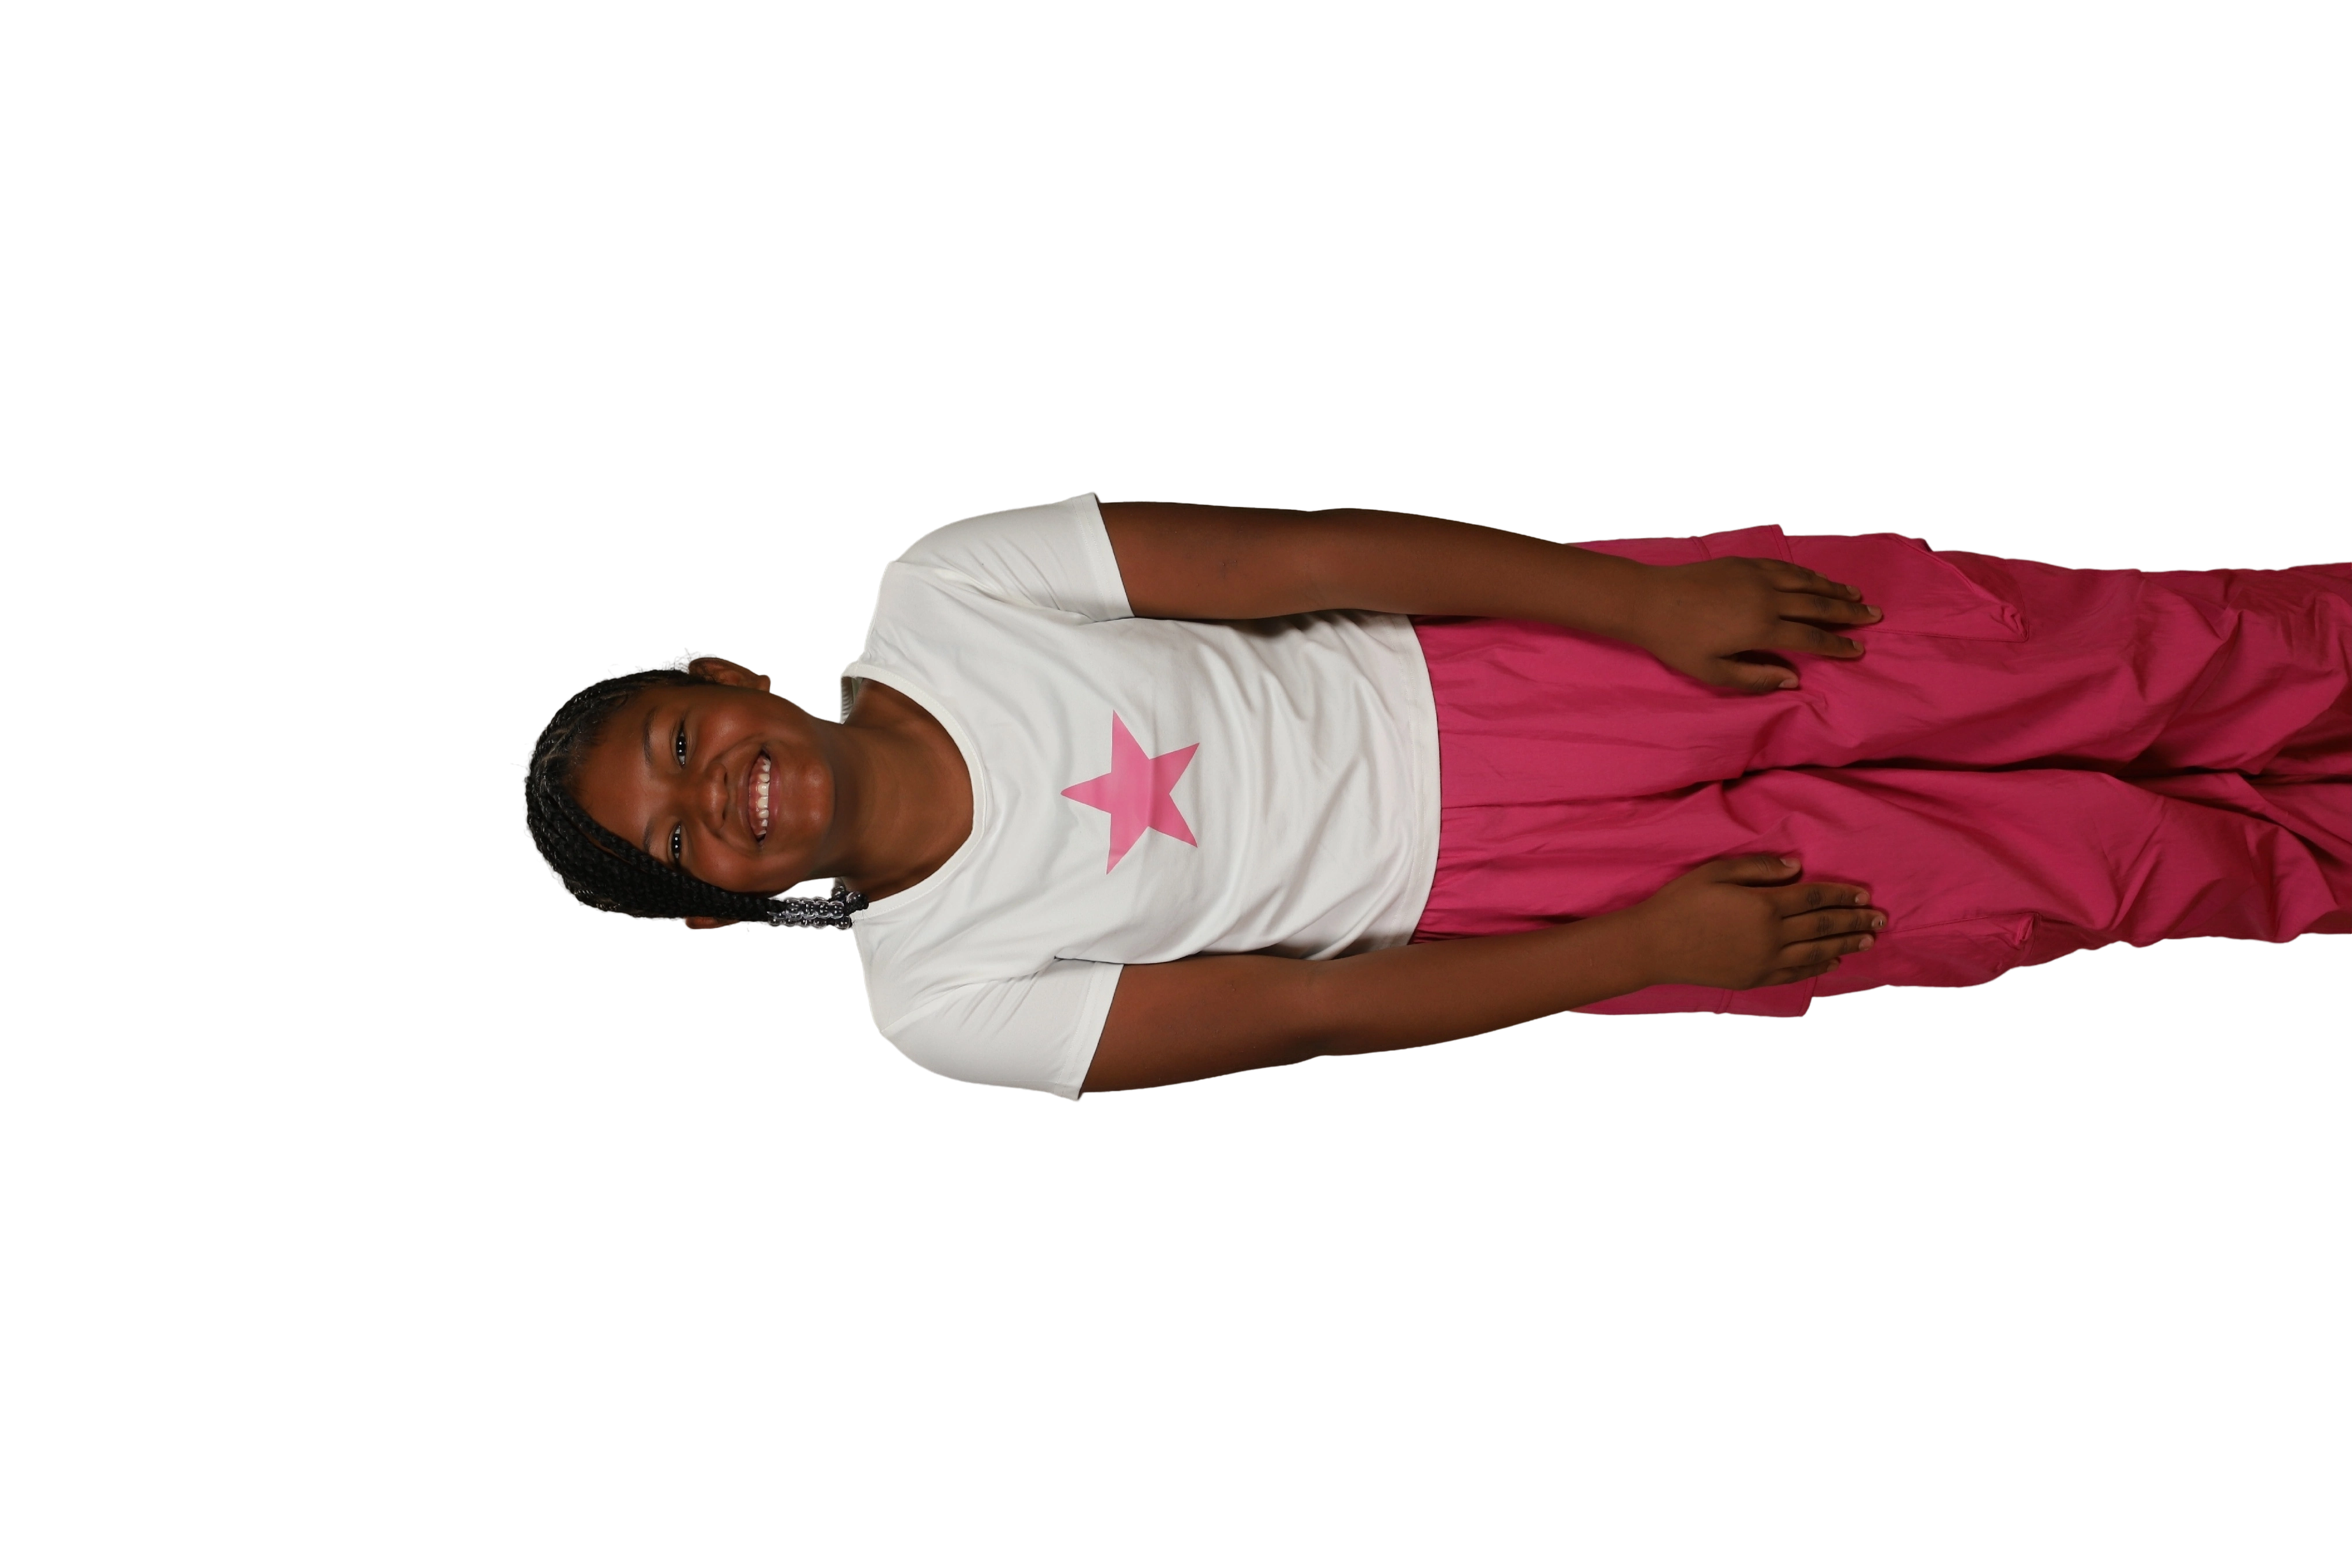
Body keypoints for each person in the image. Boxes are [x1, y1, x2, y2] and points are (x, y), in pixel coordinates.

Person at [514, 488, 2351, 1102]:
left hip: (1530, 666)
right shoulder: (938, 1002)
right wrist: (1645, 943)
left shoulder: (947, 588)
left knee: (2098, 658)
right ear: (720, 903)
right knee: (2104, 867)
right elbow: (1300, 1009)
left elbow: (1302, 556)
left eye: (680, 743)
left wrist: (1640, 603)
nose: (721, 798)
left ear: (722, 679)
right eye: (681, 845)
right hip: (1524, 909)